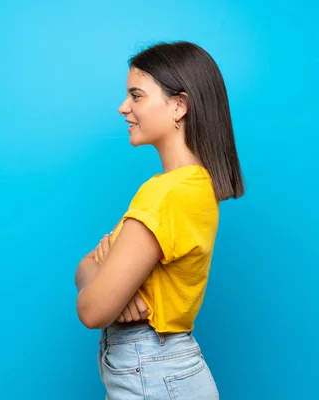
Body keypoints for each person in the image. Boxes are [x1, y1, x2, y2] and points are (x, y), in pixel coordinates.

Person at [74, 40, 245, 399]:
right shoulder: (189, 186)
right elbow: (85, 266)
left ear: (179, 106)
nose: (123, 108)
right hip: (159, 372)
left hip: (153, 373)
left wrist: (108, 279)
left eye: (136, 96)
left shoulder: (168, 195)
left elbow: (91, 310)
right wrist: (109, 281)